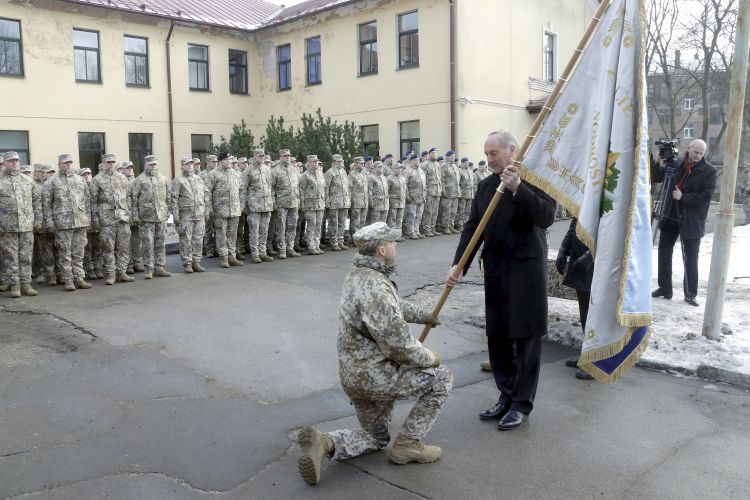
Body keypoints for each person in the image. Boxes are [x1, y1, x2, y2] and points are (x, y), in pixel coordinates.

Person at [296, 222, 450, 486]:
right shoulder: (377, 287)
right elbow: (399, 347)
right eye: (392, 242)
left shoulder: (359, 275)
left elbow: (393, 306)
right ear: (381, 250)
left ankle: (326, 443)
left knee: (375, 438)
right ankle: (409, 444)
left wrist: (423, 315)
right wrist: (430, 357)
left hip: (354, 376)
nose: (395, 245)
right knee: (442, 378)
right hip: (378, 378)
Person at [446, 130, 555, 430]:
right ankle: (506, 395)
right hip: (496, 270)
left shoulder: (535, 180)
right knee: (498, 336)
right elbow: (473, 228)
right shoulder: (486, 186)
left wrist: (518, 188)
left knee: (526, 338)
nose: (489, 159)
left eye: (494, 153)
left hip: (526, 272)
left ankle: (521, 404)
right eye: (486, 154)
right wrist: (459, 265)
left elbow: (546, 216)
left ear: (512, 150)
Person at [651, 139, 717, 306]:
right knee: (664, 252)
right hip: (671, 213)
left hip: (692, 219)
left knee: (691, 257)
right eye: (696, 152)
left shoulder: (709, 171)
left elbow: (705, 197)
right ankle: (665, 288)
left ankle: (690, 293)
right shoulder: (676, 163)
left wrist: (683, 197)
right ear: (689, 149)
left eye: (701, 153)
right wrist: (657, 162)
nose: (698, 156)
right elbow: (656, 178)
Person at [42, 153, 92, 291]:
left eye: (70, 162)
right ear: (59, 164)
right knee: (64, 253)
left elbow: (87, 200)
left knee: (78, 252)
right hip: (62, 223)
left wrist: (88, 218)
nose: (68, 164)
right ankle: (68, 280)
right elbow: (46, 205)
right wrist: (49, 223)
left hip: (80, 221)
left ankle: (79, 278)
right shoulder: (51, 182)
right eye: (65, 162)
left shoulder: (79, 180)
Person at [555, 218, 594, 380]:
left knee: (595, 314)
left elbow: (611, 231)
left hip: (598, 263)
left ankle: (596, 360)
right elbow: (576, 222)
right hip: (579, 257)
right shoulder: (587, 201)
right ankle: (588, 354)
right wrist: (564, 248)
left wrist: (590, 256)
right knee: (585, 313)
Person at [0, 151, 43, 298]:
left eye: (17, 160)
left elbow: (37, 202)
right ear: (5, 163)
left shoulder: (28, 181)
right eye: (11, 161)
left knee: (26, 256)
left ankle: (26, 283)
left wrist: (38, 220)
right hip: (7, 227)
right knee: (10, 257)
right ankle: (15, 285)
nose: (14, 163)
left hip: (26, 225)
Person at [89, 154, 135, 285]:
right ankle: (111, 274)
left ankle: (122, 272)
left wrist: (129, 213)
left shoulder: (122, 178)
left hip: (122, 218)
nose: (111, 164)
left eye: (113, 162)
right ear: (103, 163)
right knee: (108, 248)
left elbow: (129, 197)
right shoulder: (97, 180)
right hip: (107, 220)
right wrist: (95, 219)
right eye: (108, 162)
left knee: (123, 247)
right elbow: (92, 202)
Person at [130, 155, 172, 279]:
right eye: (150, 164)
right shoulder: (139, 180)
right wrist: (135, 216)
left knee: (160, 243)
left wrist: (167, 211)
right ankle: (149, 269)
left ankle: (160, 267)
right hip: (146, 218)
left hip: (160, 217)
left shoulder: (163, 179)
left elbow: (168, 197)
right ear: (145, 165)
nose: (153, 166)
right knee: (148, 244)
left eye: (154, 164)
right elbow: (133, 199)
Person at [205, 152, 245, 268]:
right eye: (226, 159)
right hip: (220, 211)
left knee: (233, 234)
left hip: (234, 210)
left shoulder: (236, 173)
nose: (228, 161)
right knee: (221, 234)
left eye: (230, 159)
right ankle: (224, 258)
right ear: (220, 161)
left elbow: (242, 190)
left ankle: (232, 256)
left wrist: (241, 205)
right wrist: (209, 208)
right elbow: (207, 192)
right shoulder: (213, 174)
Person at [171, 157, 208, 273]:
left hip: (199, 214)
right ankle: (187, 263)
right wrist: (176, 217)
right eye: (187, 164)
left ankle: (196, 261)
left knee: (198, 239)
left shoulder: (198, 179)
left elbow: (206, 194)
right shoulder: (178, 181)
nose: (190, 165)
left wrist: (206, 211)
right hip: (185, 216)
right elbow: (173, 200)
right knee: (186, 240)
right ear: (182, 166)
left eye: (191, 163)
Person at [241, 148, 275, 263]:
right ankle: (255, 254)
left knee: (264, 230)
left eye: (263, 156)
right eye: (259, 156)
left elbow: (270, 186)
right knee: (254, 231)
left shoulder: (267, 169)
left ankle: (262, 252)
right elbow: (243, 189)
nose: (262, 157)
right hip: (254, 206)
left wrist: (271, 202)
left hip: (266, 205)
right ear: (254, 156)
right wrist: (244, 205)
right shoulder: (248, 170)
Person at [270, 149, 301, 259]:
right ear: (280, 157)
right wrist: (273, 202)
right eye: (285, 155)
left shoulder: (294, 170)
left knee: (292, 225)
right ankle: (282, 249)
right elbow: (271, 188)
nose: (288, 157)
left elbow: (298, 186)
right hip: (281, 203)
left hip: (294, 202)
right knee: (281, 227)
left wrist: (299, 200)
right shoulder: (275, 171)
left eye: (289, 155)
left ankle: (290, 248)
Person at [298, 154, 327, 255]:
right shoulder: (305, 176)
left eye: (317, 161)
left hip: (320, 204)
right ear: (309, 163)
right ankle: (311, 246)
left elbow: (324, 189)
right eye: (314, 161)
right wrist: (302, 205)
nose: (316, 163)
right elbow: (301, 191)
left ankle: (316, 245)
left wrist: (324, 201)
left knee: (318, 225)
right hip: (310, 205)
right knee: (311, 225)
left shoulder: (320, 174)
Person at [323, 153, 351, 251]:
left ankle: (340, 241)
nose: (340, 163)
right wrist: (327, 201)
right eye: (338, 161)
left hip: (344, 202)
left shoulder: (343, 172)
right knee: (333, 223)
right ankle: (334, 242)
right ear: (334, 162)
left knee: (342, 223)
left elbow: (347, 187)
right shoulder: (329, 173)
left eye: (341, 161)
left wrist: (348, 200)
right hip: (334, 203)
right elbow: (326, 188)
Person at [404, 153, 427, 239]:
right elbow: (404, 185)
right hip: (412, 198)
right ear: (411, 161)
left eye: (418, 160)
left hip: (421, 197)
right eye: (415, 160)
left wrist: (425, 194)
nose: (417, 161)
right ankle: (411, 232)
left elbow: (424, 183)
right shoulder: (407, 171)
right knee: (411, 216)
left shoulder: (421, 170)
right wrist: (407, 197)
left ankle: (417, 230)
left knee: (419, 216)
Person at [420, 148, 442, 237]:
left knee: (435, 211)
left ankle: (432, 228)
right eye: (432, 153)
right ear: (429, 154)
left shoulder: (437, 164)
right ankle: (426, 229)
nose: (434, 154)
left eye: (435, 153)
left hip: (437, 191)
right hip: (429, 191)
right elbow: (423, 179)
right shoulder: (425, 164)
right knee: (428, 211)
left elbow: (439, 177)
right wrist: (425, 191)